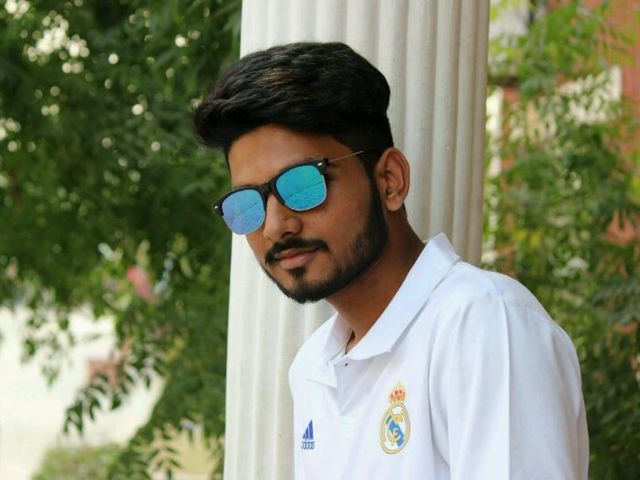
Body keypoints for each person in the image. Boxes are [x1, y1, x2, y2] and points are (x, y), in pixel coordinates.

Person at [194, 42, 588, 479]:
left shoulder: (483, 324)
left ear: (390, 181)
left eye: (302, 184)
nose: (274, 226)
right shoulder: (314, 367)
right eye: (247, 205)